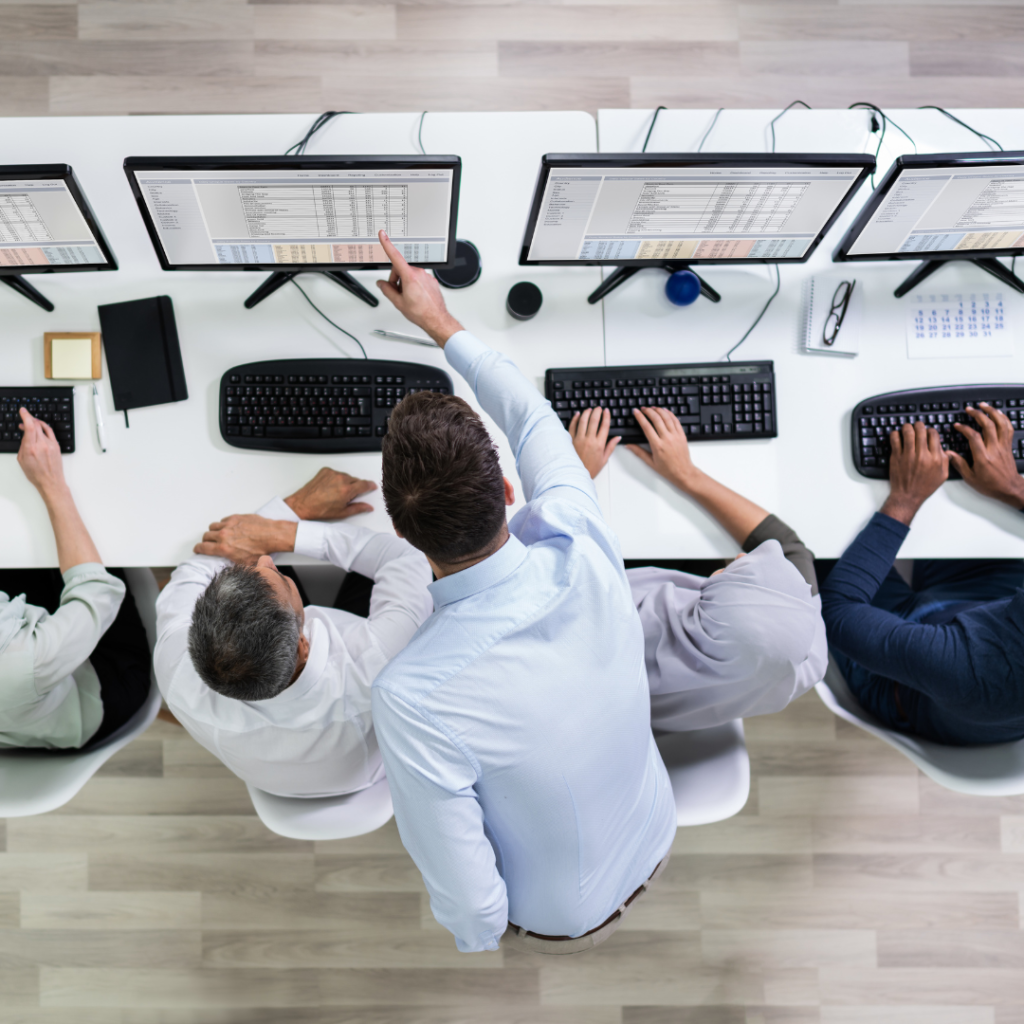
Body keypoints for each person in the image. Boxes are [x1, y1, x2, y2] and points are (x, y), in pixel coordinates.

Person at [367, 229, 677, 957]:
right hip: (656, 827)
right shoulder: (579, 533)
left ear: (403, 533)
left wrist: (493, 933)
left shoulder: (413, 697)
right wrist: (442, 323)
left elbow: (477, 916)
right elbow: (532, 419)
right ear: (508, 490)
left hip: (568, 916)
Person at [153, 467, 433, 797]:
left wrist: (285, 515)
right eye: (282, 580)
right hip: (366, 774)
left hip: (269, 778)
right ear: (302, 645)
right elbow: (406, 557)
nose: (265, 560)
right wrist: (284, 530)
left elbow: (196, 569)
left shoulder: (175, 668)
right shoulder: (377, 670)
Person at [570, 405, 827, 731]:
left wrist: (574, 478)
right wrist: (685, 474)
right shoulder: (806, 660)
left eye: (737, 572)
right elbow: (789, 547)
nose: (738, 557)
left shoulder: (597, 620)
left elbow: (550, 554)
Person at [821, 405, 1024, 746]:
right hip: (988, 609)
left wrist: (906, 499)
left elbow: (837, 609)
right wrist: (1013, 489)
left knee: (818, 534)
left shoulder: (980, 672)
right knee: (962, 508)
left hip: (909, 680)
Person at [0, 408, 151, 749]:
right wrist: (50, 483)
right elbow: (98, 591)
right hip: (98, 689)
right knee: (97, 535)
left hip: (20, 698)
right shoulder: (17, 661)